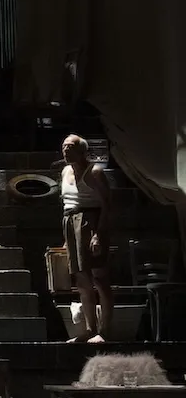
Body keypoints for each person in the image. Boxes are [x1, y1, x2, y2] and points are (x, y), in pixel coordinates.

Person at [60, 134, 112, 344]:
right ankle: (90, 329)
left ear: (82, 151)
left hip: (90, 221)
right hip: (70, 222)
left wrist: (98, 233)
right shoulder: (65, 171)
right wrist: (67, 238)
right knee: (82, 280)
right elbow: (66, 202)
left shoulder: (95, 172)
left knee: (99, 277)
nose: (65, 150)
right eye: (64, 147)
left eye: (70, 147)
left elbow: (107, 204)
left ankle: (105, 330)